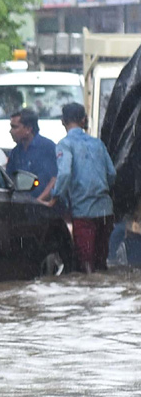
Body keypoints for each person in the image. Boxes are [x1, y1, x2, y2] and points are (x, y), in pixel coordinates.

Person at [45, 102, 116, 272]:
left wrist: (54, 198)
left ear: (63, 121)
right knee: (101, 263)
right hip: (105, 211)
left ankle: (90, 295)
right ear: (84, 120)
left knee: (86, 264)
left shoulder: (65, 144)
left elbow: (64, 175)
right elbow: (112, 174)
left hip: (83, 212)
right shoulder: (98, 143)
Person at [5, 108, 56, 199]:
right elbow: (8, 177)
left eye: (15, 127)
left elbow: (55, 179)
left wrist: (38, 201)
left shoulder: (47, 148)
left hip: (43, 206)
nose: (10, 131)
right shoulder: (15, 152)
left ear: (28, 129)